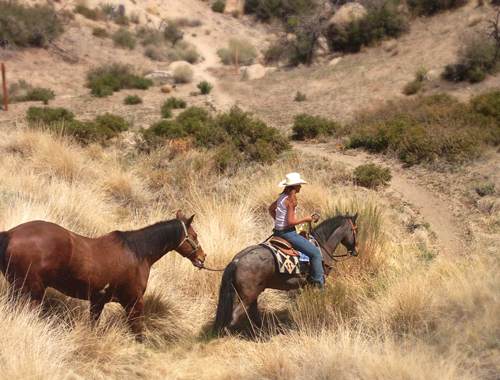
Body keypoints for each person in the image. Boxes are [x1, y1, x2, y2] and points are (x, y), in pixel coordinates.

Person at [268, 172, 324, 290]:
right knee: (315, 253)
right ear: (294, 186)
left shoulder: (281, 197)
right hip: (288, 234)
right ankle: (319, 287)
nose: (301, 186)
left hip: (277, 232)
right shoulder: (290, 201)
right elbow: (290, 222)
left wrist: (278, 222)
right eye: (299, 184)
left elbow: (271, 209)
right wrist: (307, 219)